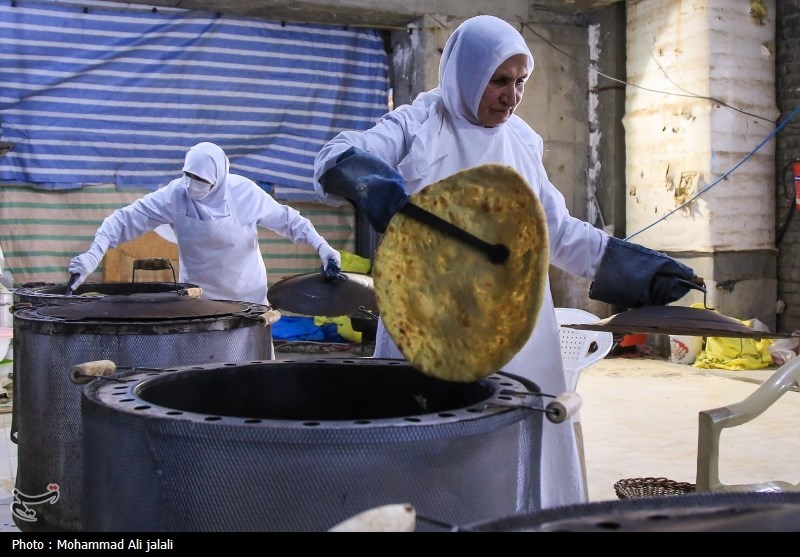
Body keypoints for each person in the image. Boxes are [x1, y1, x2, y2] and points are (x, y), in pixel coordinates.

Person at [313, 15, 701, 509]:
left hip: (517, 327)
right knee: (431, 445)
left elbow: (555, 232)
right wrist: (368, 179)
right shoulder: (420, 125)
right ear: (466, 74)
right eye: (499, 80)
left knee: (518, 445)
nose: (511, 95)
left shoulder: (522, 141)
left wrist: (637, 270)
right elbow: (334, 156)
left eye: (521, 81)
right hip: (432, 324)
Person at [69, 141, 342, 307]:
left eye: (200, 180)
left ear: (219, 178)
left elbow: (290, 221)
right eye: (188, 175)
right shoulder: (175, 195)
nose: (191, 185)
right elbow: (124, 219)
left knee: (248, 378)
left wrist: (323, 248)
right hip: (197, 302)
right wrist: (93, 254)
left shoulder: (244, 194)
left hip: (247, 301)